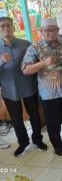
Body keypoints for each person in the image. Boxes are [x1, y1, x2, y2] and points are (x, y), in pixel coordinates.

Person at [22, 18, 62, 157]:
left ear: (58, 30)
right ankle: (58, 146)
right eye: (47, 30)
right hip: (49, 93)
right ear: (41, 31)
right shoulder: (35, 47)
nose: (51, 33)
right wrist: (43, 63)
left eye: (54, 30)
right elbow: (25, 69)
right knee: (53, 123)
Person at [0, 17, 47, 156]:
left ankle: (38, 140)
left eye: (8, 25)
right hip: (9, 90)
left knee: (34, 115)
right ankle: (23, 143)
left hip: (28, 86)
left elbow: (36, 61)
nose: (6, 28)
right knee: (16, 119)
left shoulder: (25, 44)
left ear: (13, 27)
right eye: (2, 26)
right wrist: (1, 61)